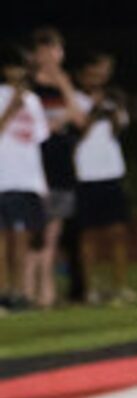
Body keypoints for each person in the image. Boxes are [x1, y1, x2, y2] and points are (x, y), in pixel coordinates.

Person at [24, 29, 82, 308]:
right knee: (30, 235)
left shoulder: (64, 84)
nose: (50, 57)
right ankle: (26, 291)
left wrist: (64, 84)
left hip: (61, 167)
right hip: (33, 168)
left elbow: (79, 119)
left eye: (55, 51)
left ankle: (45, 293)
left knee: (52, 234)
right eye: (44, 51)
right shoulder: (26, 87)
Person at [70, 51, 134, 304]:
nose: (97, 79)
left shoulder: (111, 98)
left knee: (118, 232)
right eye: (92, 74)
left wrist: (115, 108)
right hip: (86, 174)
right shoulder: (74, 99)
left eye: (101, 74)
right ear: (81, 75)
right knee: (88, 235)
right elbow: (79, 130)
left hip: (112, 172)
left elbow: (119, 129)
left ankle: (120, 286)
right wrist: (95, 111)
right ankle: (91, 287)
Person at [0, 53, 45, 310]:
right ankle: (2, 292)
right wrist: (12, 107)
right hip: (2, 179)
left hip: (26, 180)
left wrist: (41, 184)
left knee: (22, 240)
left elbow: (37, 141)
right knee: (2, 241)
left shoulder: (33, 101)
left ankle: (18, 292)